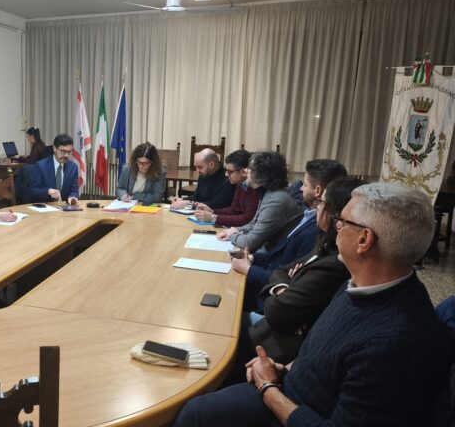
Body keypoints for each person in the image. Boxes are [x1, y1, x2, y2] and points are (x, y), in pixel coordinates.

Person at [172, 183, 452, 427]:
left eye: (341, 221)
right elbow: (326, 355)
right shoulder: (361, 283)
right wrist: (282, 368)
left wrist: (268, 387)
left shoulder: (392, 342)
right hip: (290, 386)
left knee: (196, 413)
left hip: (293, 409)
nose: (335, 226)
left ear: (364, 240)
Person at [234, 177, 362, 372]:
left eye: (321, 203)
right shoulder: (324, 243)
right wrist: (285, 288)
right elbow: (282, 270)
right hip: (274, 325)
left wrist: (284, 290)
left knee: (224, 326)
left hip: (277, 344)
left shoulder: (334, 263)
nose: (317, 208)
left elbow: (277, 312)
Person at [231, 159, 347, 309]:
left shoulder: (318, 229)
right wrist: (252, 259)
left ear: (318, 191)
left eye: (305, 185)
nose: (301, 188)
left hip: (269, 299)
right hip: (267, 278)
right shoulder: (308, 214)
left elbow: (289, 281)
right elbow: (279, 257)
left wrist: (249, 269)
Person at [217, 152, 301, 252]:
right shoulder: (268, 192)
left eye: (250, 168)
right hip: (267, 248)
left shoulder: (276, 200)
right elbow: (253, 225)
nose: (245, 171)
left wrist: (232, 234)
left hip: (273, 253)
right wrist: (234, 231)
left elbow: (250, 243)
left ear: (262, 176)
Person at [193, 150, 259, 227]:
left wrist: (214, 218)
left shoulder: (255, 189)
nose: (226, 174)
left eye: (230, 172)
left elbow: (248, 219)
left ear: (243, 172)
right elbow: (234, 210)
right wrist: (212, 211)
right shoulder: (240, 184)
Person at [170, 149, 235, 210]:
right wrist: (182, 200)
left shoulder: (229, 179)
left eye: (200, 167)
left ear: (211, 165)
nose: (197, 171)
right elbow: (197, 196)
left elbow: (216, 205)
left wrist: (188, 204)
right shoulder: (203, 176)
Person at [29, 134, 80, 204]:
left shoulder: (73, 167)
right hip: (45, 206)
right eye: (63, 151)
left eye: (69, 152)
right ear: (54, 148)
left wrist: (73, 197)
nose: (66, 155)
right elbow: (33, 191)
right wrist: (48, 191)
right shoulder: (40, 166)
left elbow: (74, 190)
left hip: (64, 207)